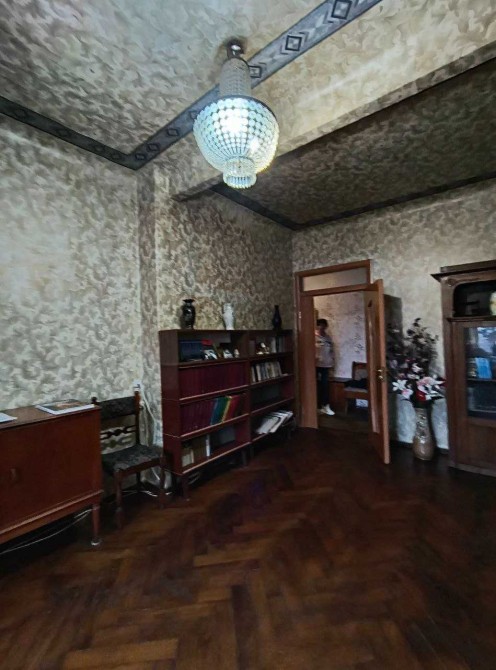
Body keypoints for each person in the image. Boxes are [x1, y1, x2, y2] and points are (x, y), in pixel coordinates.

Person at [315, 318, 335, 415]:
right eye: (320, 325)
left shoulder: (328, 338)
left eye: (324, 325)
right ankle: (317, 407)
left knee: (325, 386)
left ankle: (325, 406)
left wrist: (332, 363)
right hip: (316, 365)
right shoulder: (313, 337)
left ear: (326, 327)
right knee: (316, 386)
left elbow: (331, 351)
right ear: (317, 326)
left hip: (326, 365)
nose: (322, 327)